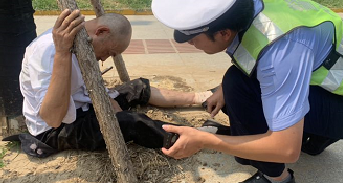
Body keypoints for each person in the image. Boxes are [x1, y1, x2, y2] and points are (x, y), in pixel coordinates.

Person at [152, 0, 343, 183]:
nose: (190, 44)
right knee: (232, 83)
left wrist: (204, 141)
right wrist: (223, 87)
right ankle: (316, 138)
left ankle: (276, 178)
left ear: (224, 33)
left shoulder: (279, 51)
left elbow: (286, 149)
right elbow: (252, 49)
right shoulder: (248, 0)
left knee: (239, 86)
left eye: (193, 39)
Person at [16, 9, 212, 158]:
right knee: (128, 122)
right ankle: (192, 137)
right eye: (110, 52)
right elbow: (52, 118)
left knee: (138, 88)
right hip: (55, 130)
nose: (104, 60)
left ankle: (200, 97)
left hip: (80, 106)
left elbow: (84, 87)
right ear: (101, 31)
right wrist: (62, 54)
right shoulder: (49, 51)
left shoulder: (83, 43)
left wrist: (105, 99)